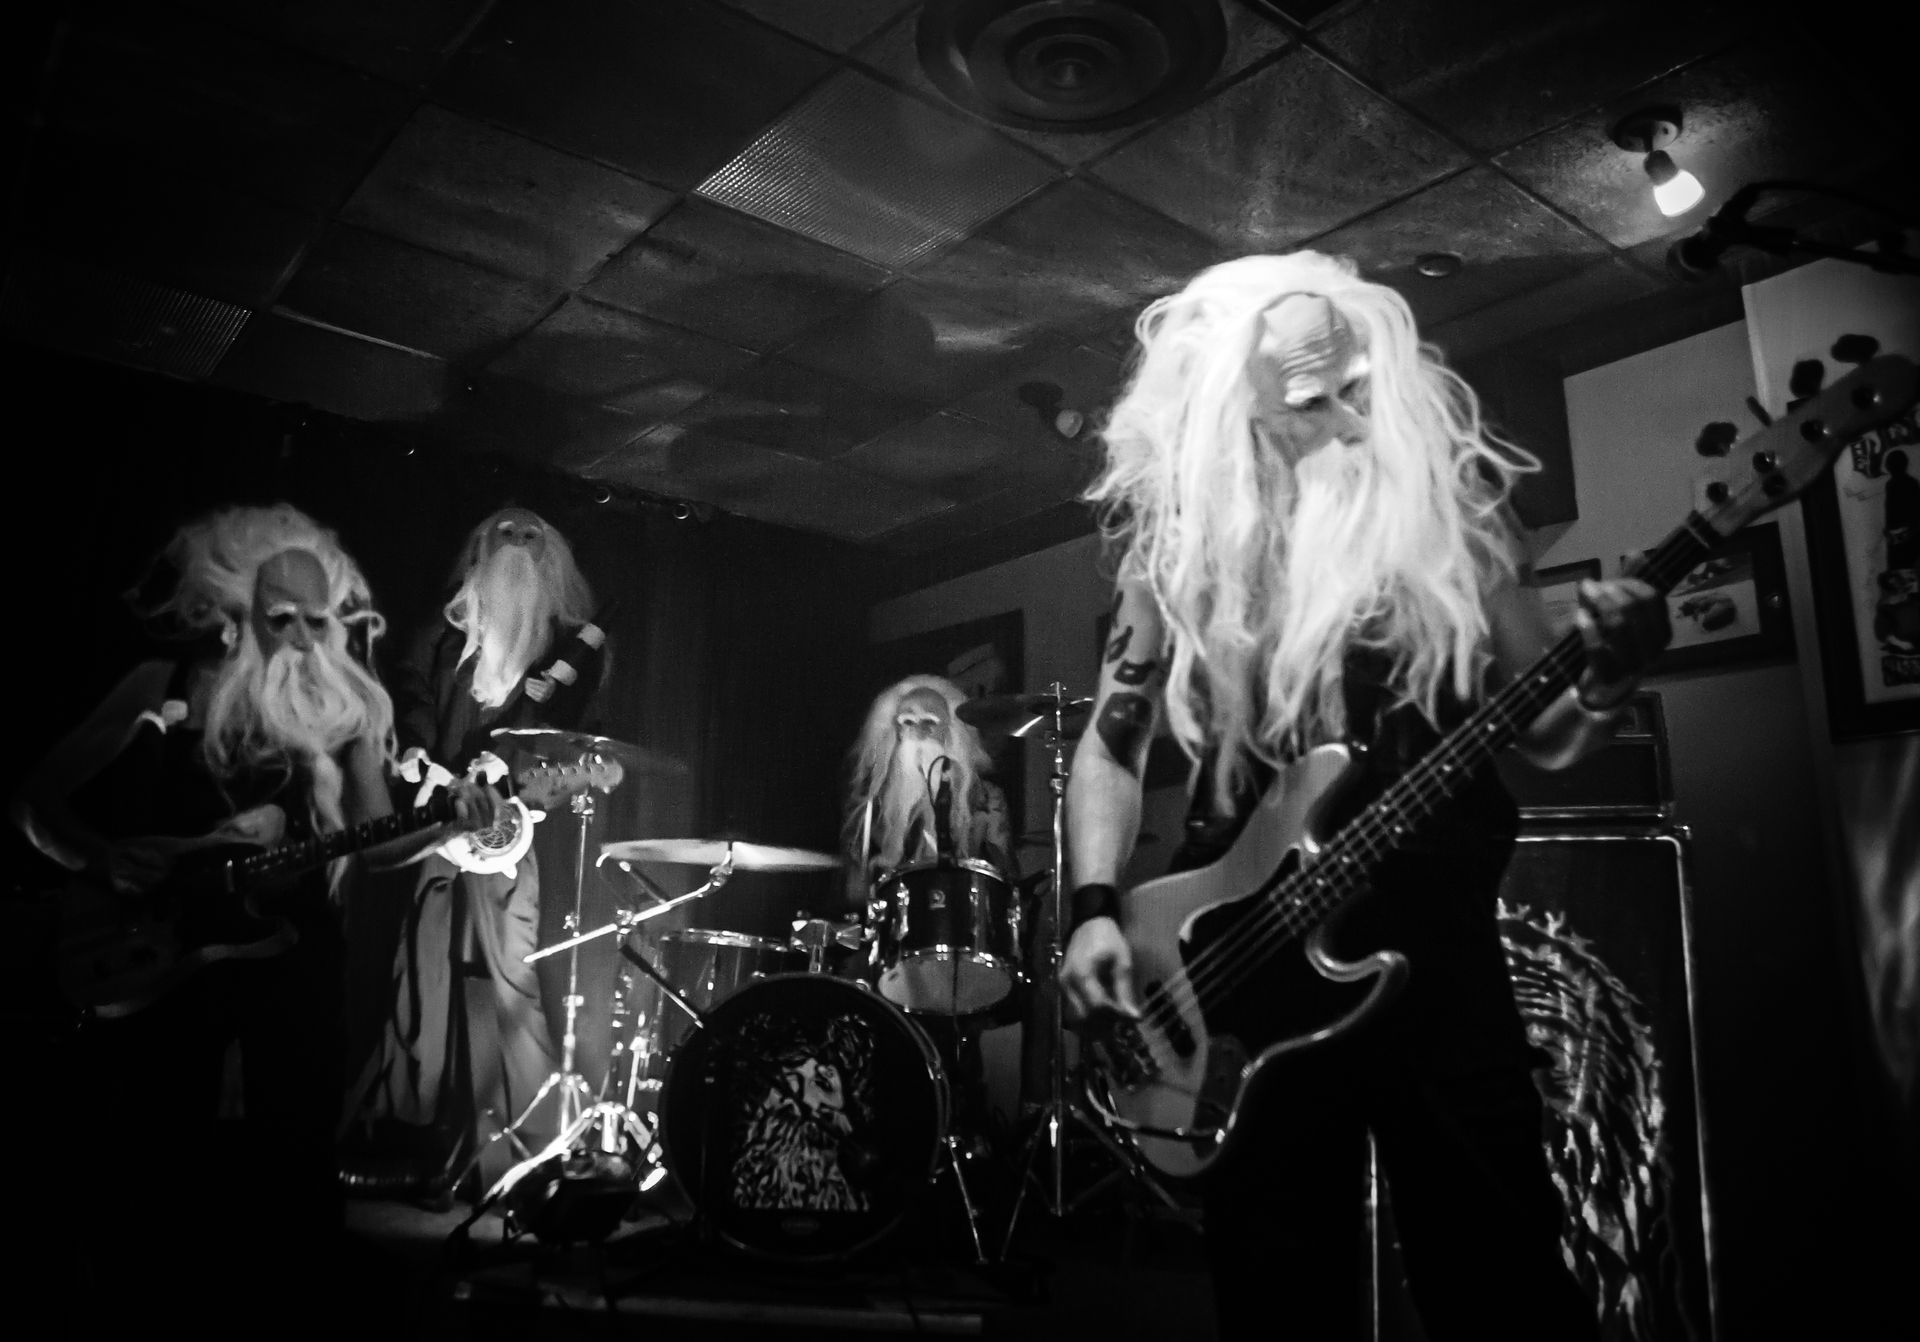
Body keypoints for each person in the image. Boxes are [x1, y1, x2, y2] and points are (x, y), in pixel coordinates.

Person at [1057, 252, 1672, 1342]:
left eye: (1358, 386)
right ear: (1230, 418)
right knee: (1279, 1298)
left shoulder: (1454, 515)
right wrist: (1095, 908)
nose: (1348, 419)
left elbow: (1547, 730)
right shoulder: (1180, 556)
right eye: (1308, 402)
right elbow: (1112, 745)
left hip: (1439, 963)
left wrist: (1609, 679)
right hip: (1241, 974)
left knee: (1504, 1286)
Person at [13, 502, 499, 1323]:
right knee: (156, 1151)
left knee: (297, 1154)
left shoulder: (348, 711)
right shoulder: (165, 686)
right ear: (238, 613)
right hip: (165, 957)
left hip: (295, 954)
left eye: (319, 620)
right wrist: (100, 858)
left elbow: (370, 846)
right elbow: (33, 800)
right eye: (282, 619)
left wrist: (444, 826)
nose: (305, 640)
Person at [349, 505, 609, 1196]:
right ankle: (416, 1140)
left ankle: (525, 1150)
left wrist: (504, 774)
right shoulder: (440, 635)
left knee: (512, 984)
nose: (519, 544)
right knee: (425, 977)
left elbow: (562, 731)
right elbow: (410, 703)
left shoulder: (573, 648)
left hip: (511, 841)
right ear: (481, 549)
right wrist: (419, 759)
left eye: (533, 535)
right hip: (437, 830)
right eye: (508, 533)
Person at [840, 674, 1016, 907]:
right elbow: (854, 890)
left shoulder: (985, 798)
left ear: (949, 731)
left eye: (929, 722)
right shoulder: (872, 805)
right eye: (908, 723)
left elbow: (1005, 880)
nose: (918, 732)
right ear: (897, 731)